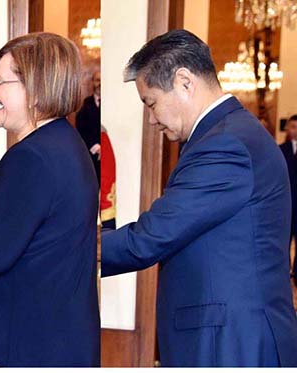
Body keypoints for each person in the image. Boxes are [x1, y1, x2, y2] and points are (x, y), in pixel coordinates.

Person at [101, 29, 297, 367]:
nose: (151, 119)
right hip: (229, 338)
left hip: (233, 344)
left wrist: (70, 247)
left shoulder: (225, 144)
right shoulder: (228, 134)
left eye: (151, 103)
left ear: (184, 82)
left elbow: (150, 237)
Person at [0, 32, 99, 367]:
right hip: (48, 343)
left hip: (23, 347)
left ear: (33, 89)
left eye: (0, 81)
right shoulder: (64, 145)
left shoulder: (34, 157)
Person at [279, 115, 297, 284]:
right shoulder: (280, 150)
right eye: (293, 126)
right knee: (284, 239)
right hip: (286, 203)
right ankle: (284, 272)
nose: (295, 130)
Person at [76, 70, 102, 178]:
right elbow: (82, 131)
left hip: (108, 155)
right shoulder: (85, 106)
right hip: (91, 156)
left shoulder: (112, 105)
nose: (100, 83)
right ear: (92, 82)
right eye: (97, 80)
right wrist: (97, 148)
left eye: (102, 80)